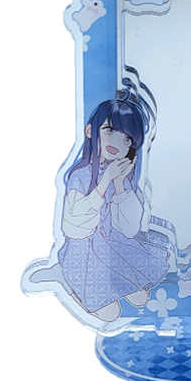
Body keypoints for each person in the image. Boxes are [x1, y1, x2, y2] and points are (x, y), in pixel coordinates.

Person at [54, 96, 169, 322]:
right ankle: (68, 285)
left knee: (141, 298)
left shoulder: (119, 175)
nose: (116, 142)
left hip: (111, 244)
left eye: (126, 139)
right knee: (110, 313)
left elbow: (128, 230)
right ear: (90, 131)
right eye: (109, 130)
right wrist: (105, 181)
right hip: (83, 250)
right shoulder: (80, 176)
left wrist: (118, 185)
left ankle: (100, 286)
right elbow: (74, 227)